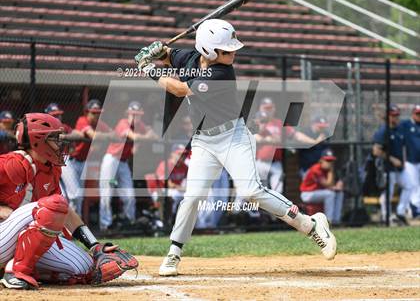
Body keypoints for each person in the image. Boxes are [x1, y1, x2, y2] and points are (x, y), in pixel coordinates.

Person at [135, 18, 337, 276]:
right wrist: (158, 52)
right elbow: (169, 56)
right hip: (203, 141)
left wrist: (148, 68)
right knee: (193, 196)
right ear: (206, 49)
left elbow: (177, 89)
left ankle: (311, 225)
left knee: (251, 190)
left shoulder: (221, 73)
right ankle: (174, 253)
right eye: (226, 50)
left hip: (233, 136)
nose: (232, 54)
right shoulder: (188, 57)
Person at [0, 113, 137, 289]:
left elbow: (65, 213)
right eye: (55, 138)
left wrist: (94, 246)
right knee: (53, 205)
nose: (60, 144)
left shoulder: (50, 169)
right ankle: (15, 271)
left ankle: (22, 267)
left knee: (85, 268)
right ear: (37, 140)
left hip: (18, 239)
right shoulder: (12, 163)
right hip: (3, 235)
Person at [99, 101, 158, 231]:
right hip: (112, 159)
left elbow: (154, 135)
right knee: (106, 193)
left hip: (123, 162)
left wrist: (146, 136)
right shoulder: (123, 123)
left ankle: (129, 222)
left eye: (137, 115)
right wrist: (145, 137)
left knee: (129, 195)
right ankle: (105, 224)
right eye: (133, 114)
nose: (135, 117)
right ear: (128, 114)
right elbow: (134, 136)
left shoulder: (140, 125)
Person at [255, 99, 325, 192]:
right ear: (260, 108)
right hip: (260, 162)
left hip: (276, 163)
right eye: (265, 108)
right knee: (258, 193)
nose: (268, 110)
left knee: (278, 192)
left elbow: (296, 135)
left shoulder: (279, 123)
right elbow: (254, 135)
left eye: (270, 108)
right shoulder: (258, 122)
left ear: (274, 109)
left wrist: (313, 141)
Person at [60, 99, 112, 215]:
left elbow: (113, 134)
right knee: (74, 195)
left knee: (78, 197)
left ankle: (74, 228)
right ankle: (70, 227)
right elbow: (93, 135)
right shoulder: (82, 120)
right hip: (69, 161)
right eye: (93, 113)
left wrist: (103, 136)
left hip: (83, 162)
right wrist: (103, 136)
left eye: (98, 113)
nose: (96, 115)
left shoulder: (100, 125)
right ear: (87, 112)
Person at [372, 105, 410, 224]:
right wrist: (392, 159)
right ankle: (385, 216)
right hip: (386, 167)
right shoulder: (383, 131)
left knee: (409, 186)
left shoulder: (399, 129)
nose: (395, 118)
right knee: (388, 192)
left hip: (399, 167)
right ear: (388, 116)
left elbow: (403, 147)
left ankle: (400, 212)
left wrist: (403, 161)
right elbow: (376, 151)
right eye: (393, 115)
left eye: (397, 115)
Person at [300, 149, 344, 225]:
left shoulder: (328, 170)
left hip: (319, 192)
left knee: (339, 193)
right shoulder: (316, 169)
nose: (329, 163)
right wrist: (331, 171)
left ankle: (336, 220)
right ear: (321, 160)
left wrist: (338, 185)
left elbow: (332, 185)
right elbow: (328, 184)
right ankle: (328, 221)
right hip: (307, 194)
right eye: (327, 160)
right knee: (330, 194)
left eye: (331, 161)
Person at [155, 144, 189, 222]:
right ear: (172, 154)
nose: (183, 156)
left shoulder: (185, 167)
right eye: (180, 154)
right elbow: (169, 185)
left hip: (178, 191)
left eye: (184, 154)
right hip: (161, 191)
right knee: (174, 196)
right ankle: (169, 221)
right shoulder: (165, 165)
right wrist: (183, 188)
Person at [398, 104, 420, 218]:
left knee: (417, 186)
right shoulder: (406, 124)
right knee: (414, 185)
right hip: (410, 161)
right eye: (417, 113)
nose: (419, 116)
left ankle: (415, 208)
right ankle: (414, 209)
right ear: (413, 113)